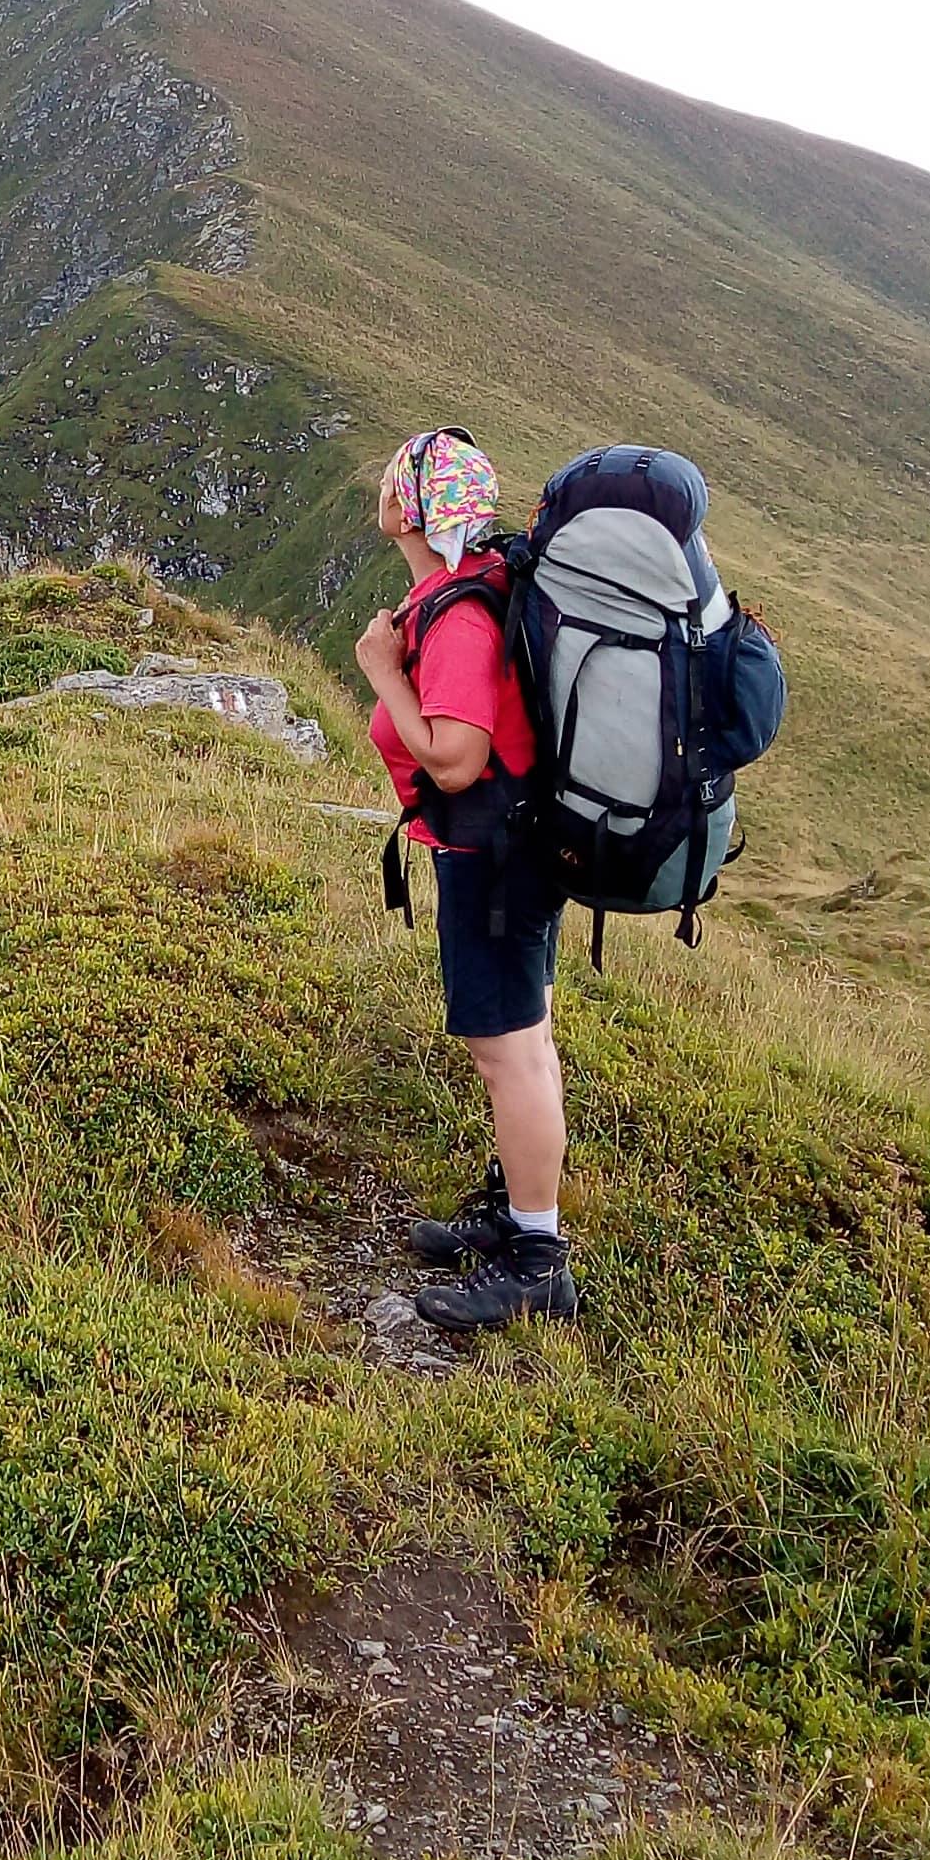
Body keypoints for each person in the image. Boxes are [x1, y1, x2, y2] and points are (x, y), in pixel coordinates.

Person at [351, 428, 579, 1332]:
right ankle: (514, 1209)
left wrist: (379, 672)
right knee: (525, 1042)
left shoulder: (458, 616)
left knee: (509, 1052)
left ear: (412, 506)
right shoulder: (466, 588)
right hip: (512, 853)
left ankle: (536, 1258)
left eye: (392, 472)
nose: (381, 484)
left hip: (493, 860)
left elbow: (455, 759)